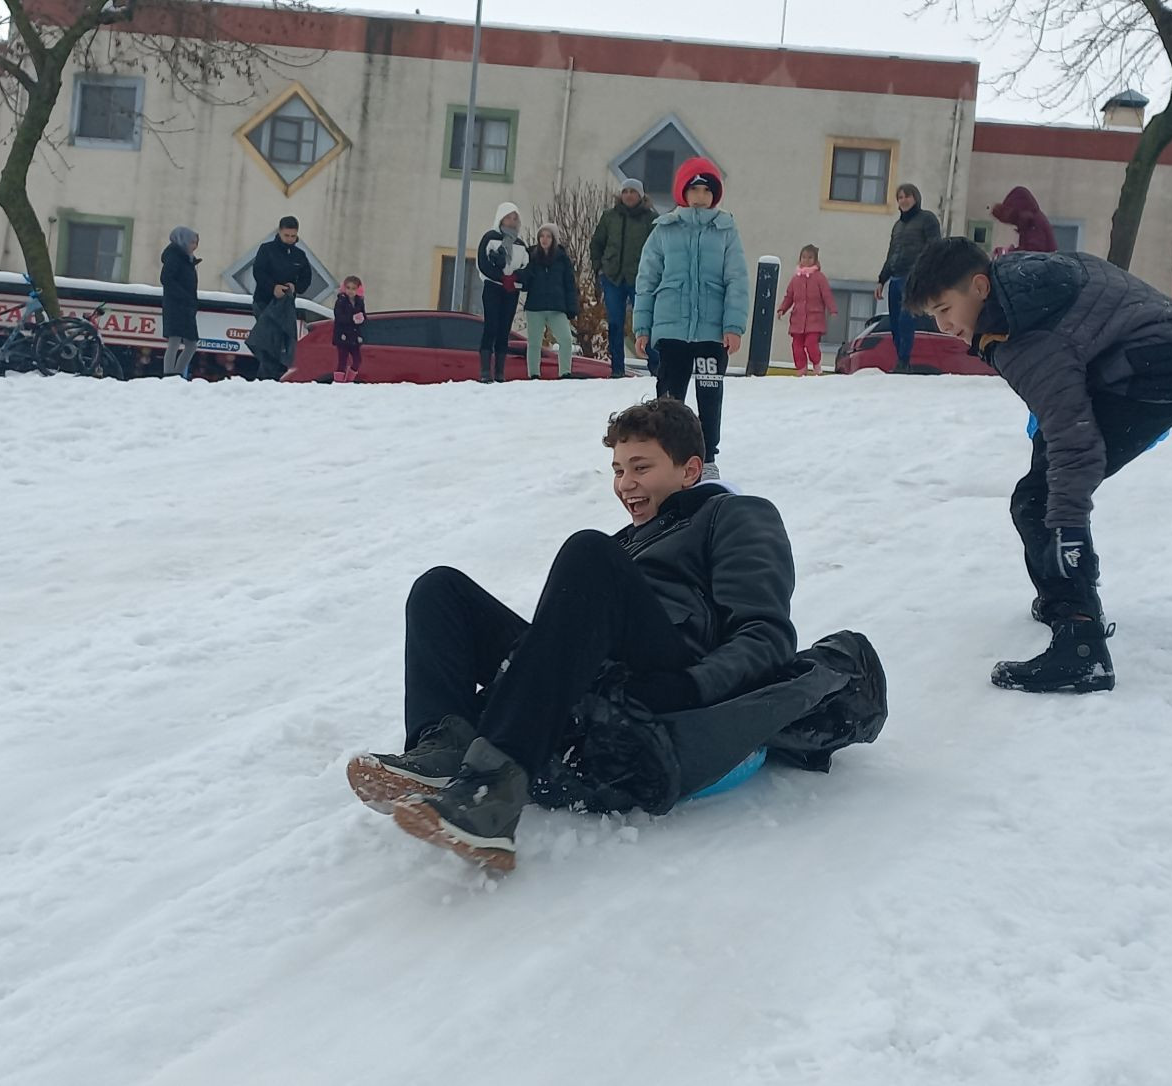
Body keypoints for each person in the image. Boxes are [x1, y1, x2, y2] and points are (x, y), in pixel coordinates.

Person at [346, 399, 801, 870]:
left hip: (667, 676)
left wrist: (691, 685)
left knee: (588, 550)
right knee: (440, 590)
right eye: (618, 470)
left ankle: (492, 794)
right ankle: (443, 749)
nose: (626, 485)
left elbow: (766, 635)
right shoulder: (630, 540)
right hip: (600, 676)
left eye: (641, 467)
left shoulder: (737, 514)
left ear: (689, 471)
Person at [905, 237, 1172, 694]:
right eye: (933, 315)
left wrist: (1068, 524)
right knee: (1043, 474)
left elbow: (1075, 441)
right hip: (1168, 349)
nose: (943, 324)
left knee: (1040, 500)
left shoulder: (1020, 331)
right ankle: (1064, 594)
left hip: (1156, 368)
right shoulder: (1022, 281)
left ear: (978, 286)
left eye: (945, 308)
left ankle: (1081, 642)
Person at [633, 158, 747, 480]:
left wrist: (733, 326)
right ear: (683, 191)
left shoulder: (726, 231)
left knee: (709, 395)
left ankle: (708, 458)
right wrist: (643, 327)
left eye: (707, 189)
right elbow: (647, 280)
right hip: (672, 330)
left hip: (712, 334)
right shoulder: (664, 231)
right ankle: (668, 455)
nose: (700, 195)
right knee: (669, 397)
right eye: (694, 188)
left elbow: (736, 280)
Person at [590, 178, 659, 377]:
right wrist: (599, 268)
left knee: (645, 323)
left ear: (640, 195)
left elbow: (657, 250)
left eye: (633, 191)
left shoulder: (650, 219)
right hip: (612, 278)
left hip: (640, 279)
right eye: (625, 191)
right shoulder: (609, 217)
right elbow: (597, 243)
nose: (629, 195)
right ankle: (617, 369)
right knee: (614, 324)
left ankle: (655, 366)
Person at [876, 184, 942, 373]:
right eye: (900, 197)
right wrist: (882, 279)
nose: (903, 200)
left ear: (916, 198)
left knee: (906, 319)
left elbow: (934, 247)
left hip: (913, 278)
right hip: (895, 278)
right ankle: (901, 361)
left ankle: (904, 360)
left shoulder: (927, 219)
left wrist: (926, 274)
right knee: (895, 323)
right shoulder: (898, 226)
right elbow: (892, 254)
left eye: (907, 196)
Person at [476, 202, 529, 384]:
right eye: (509, 217)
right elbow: (483, 263)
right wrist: (501, 277)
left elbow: (526, 268)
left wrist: (514, 279)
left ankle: (499, 372)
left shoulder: (521, 244)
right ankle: (485, 371)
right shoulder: (490, 238)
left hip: (511, 291)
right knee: (491, 327)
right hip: (493, 288)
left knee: (504, 330)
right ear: (501, 217)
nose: (512, 221)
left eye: (515, 218)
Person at [521, 223, 578, 379]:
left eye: (548, 236)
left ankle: (565, 372)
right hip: (535, 306)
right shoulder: (530, 257)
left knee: (566, 339)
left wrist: (571, 307)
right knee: (534, 343)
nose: (544, 239)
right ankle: (533, 374)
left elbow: (569, 284)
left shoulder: (562, 259)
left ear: (554, 239)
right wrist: (524, 273)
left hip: (557, 307)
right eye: (542, 236)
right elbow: (523, 283)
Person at [777, 244, 837, 376]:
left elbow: (827, 294)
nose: (806, 260)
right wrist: (782, 309)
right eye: (804, 257)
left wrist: (832, 309)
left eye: (810, 258)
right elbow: (789, 296)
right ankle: (801, 369)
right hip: (798, 320)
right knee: (796, 347)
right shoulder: (795, 279)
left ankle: (816, 364)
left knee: (811, 344)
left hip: (814, 319)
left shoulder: (819, 278)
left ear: (815, 260)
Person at [160, 226, 200, 379]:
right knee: (175, 341)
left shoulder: (187, 259)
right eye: (192, 242)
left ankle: (175, 374)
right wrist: (184, 296)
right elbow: (166, 279)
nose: (194, 246)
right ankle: (170, 374)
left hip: (186, 306)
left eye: (196, 243)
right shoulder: (175, 257)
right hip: (176, 306)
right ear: (183, 241)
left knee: (191, 344)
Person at [251, 216, 312, 316]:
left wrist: (295, 287)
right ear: (279, 232)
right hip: (264, 302)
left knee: (284, 332)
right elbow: (258, 272)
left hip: (287, 304)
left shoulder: (299, 255)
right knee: (267, 331)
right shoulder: (266, 249)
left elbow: (306, 277)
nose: (289, 239)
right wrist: (273, 288)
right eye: (286, 235)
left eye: (293, 236)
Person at [991, 186, 1058, 254]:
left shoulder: (1033, 223)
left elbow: (1033, 251)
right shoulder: (1030, 221)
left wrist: (1010, 253)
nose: (1013, 223)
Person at [332, 275, 366, 383]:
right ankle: (339, 382)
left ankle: (349, 381)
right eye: (348, 288)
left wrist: (362, 319)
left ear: (358, 289)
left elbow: (363, 315)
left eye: (353, 288)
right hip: (342, 335)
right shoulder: (341, 301)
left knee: (357, 360)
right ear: (344, 288)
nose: (350, 291)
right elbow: (339, 316)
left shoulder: (359, 301)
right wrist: (352, 318)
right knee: (342, 360)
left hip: (354, 336)